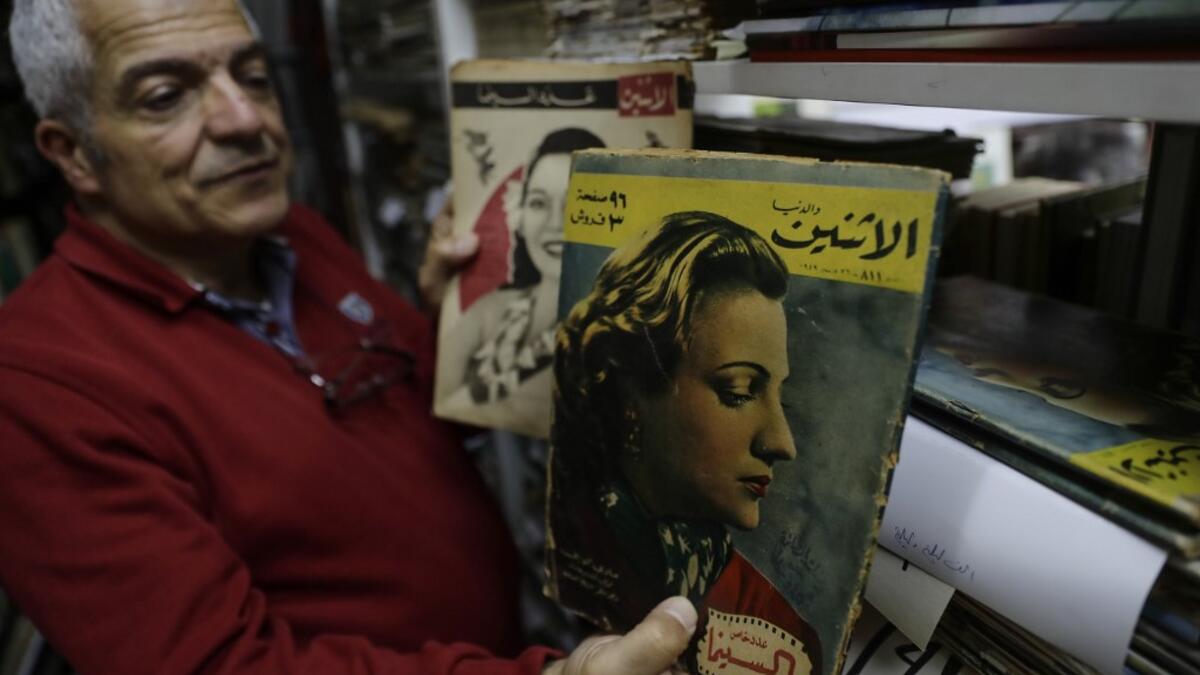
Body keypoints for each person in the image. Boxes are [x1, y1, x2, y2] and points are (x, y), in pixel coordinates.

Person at [0, 1, 696, 674]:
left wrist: (457, 328)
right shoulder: (37, 386)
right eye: (165, 97)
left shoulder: (291, 238)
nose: (245, 119)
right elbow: (219, 663)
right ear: (74, 153)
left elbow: (401, 429)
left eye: (252, 76)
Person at [549, 212, 823, 675]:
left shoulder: (779, 632)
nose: (782, 443)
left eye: (780, 398)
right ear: (631, 392)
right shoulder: (567, 542)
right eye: (739, 390)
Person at [439, 128, 604, 428]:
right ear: (522, 216)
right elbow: (440, 403)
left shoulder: (622, 328)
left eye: (577, 202)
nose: (555, 223)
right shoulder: (488, 311)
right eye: (539, 203)